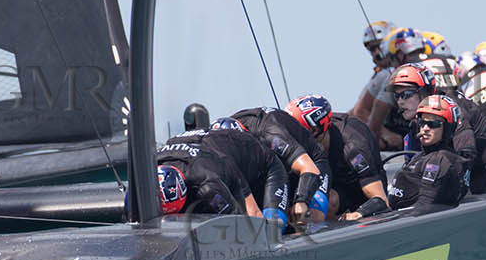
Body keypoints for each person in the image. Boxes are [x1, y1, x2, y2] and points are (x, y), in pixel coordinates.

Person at [154, 125, 287, 227]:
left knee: (264, 227)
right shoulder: (151, 167)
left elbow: (242, 224)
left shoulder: (208, 185)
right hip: (216, 157)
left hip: (255, 166)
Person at [232, 95, 333, 226]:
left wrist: (301, 201)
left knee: (312, 216)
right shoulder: (225, 140)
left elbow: (310, 168)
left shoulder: (272, 135)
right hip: (272, 162)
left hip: (312, 163)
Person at [381, 95, 465, 215]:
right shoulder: (421, 157)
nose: (425, 128)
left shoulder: (439, 160)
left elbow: (424, 206)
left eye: (433, 124)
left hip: (410, 221)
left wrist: (393, 219)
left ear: (447, 127)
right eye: (422, 122)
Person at [326, 110, 389, 217]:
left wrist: (360, 213)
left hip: (362, 181)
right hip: (335, 179)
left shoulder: (353, 146)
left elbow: (381, 200)